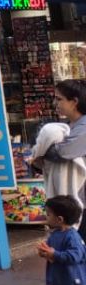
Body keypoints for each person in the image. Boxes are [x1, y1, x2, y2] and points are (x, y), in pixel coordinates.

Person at [36, 80, 86, 234]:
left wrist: (41, 151)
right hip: (73, 202)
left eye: (59, 99)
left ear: (74, 102)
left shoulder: (83, 127)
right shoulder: (68, 126)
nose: (55, 103)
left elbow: (62, 152)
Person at [38, 195, 86, 285]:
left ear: (59, 219)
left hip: (72, 282)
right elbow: (50, 251)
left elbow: (75, 256)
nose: (46, 216)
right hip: (61, 279)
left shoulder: (73, 237)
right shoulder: (55, 234)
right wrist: (44, 252)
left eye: (48, 214)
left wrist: (54, 254)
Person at [35, 121, 86, 210]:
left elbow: (60, 153)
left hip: (71, 203)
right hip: (72, 203)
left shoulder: (62, 152)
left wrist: (40, 155)